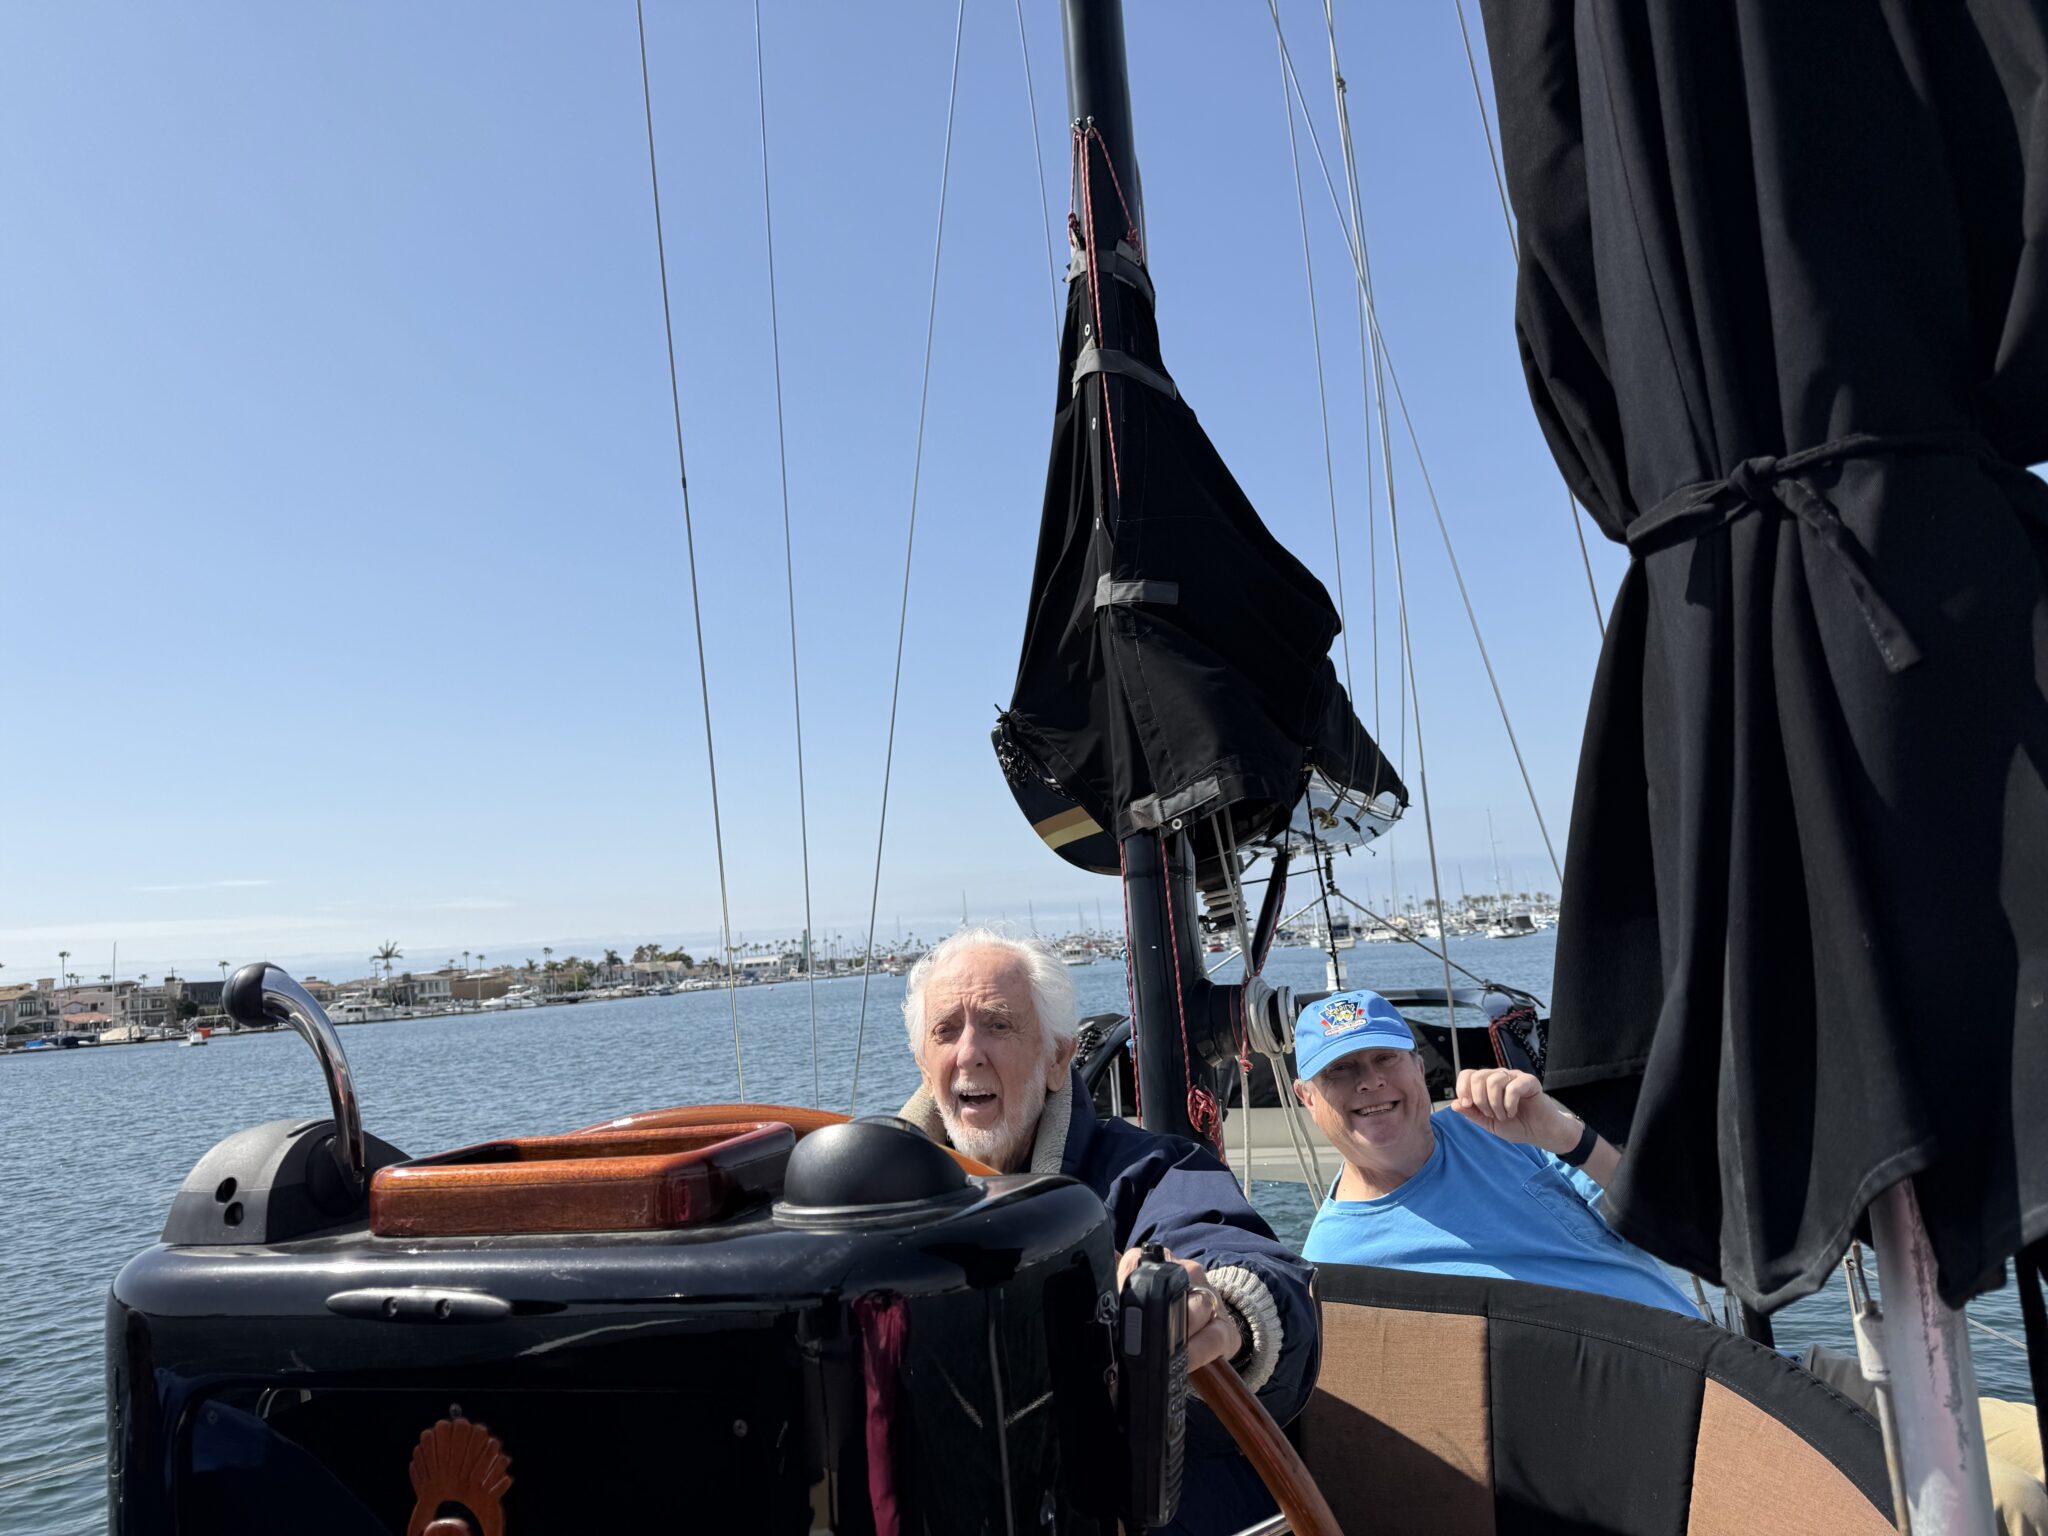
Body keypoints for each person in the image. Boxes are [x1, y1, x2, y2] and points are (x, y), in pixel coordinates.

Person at [897, 927, 1318, 1536]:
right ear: (923, 1064)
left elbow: (1241, 1263)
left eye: (997, 1025)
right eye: (945, 1031)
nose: (968, 1053)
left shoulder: (1152, 1172)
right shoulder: (874, 1207)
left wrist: (1223, 1311)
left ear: (1057, 1059)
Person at [1291, 989, 1698, 1316]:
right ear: (1307, 1097)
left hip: (1700, 1367)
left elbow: (1671, 1221)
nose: (1370, 1081)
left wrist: (1565, 1136)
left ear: (1418, 1067)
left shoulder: (1503, 1127)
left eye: (1385, 1057)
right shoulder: (1331, 1263)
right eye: (1339, 1069)